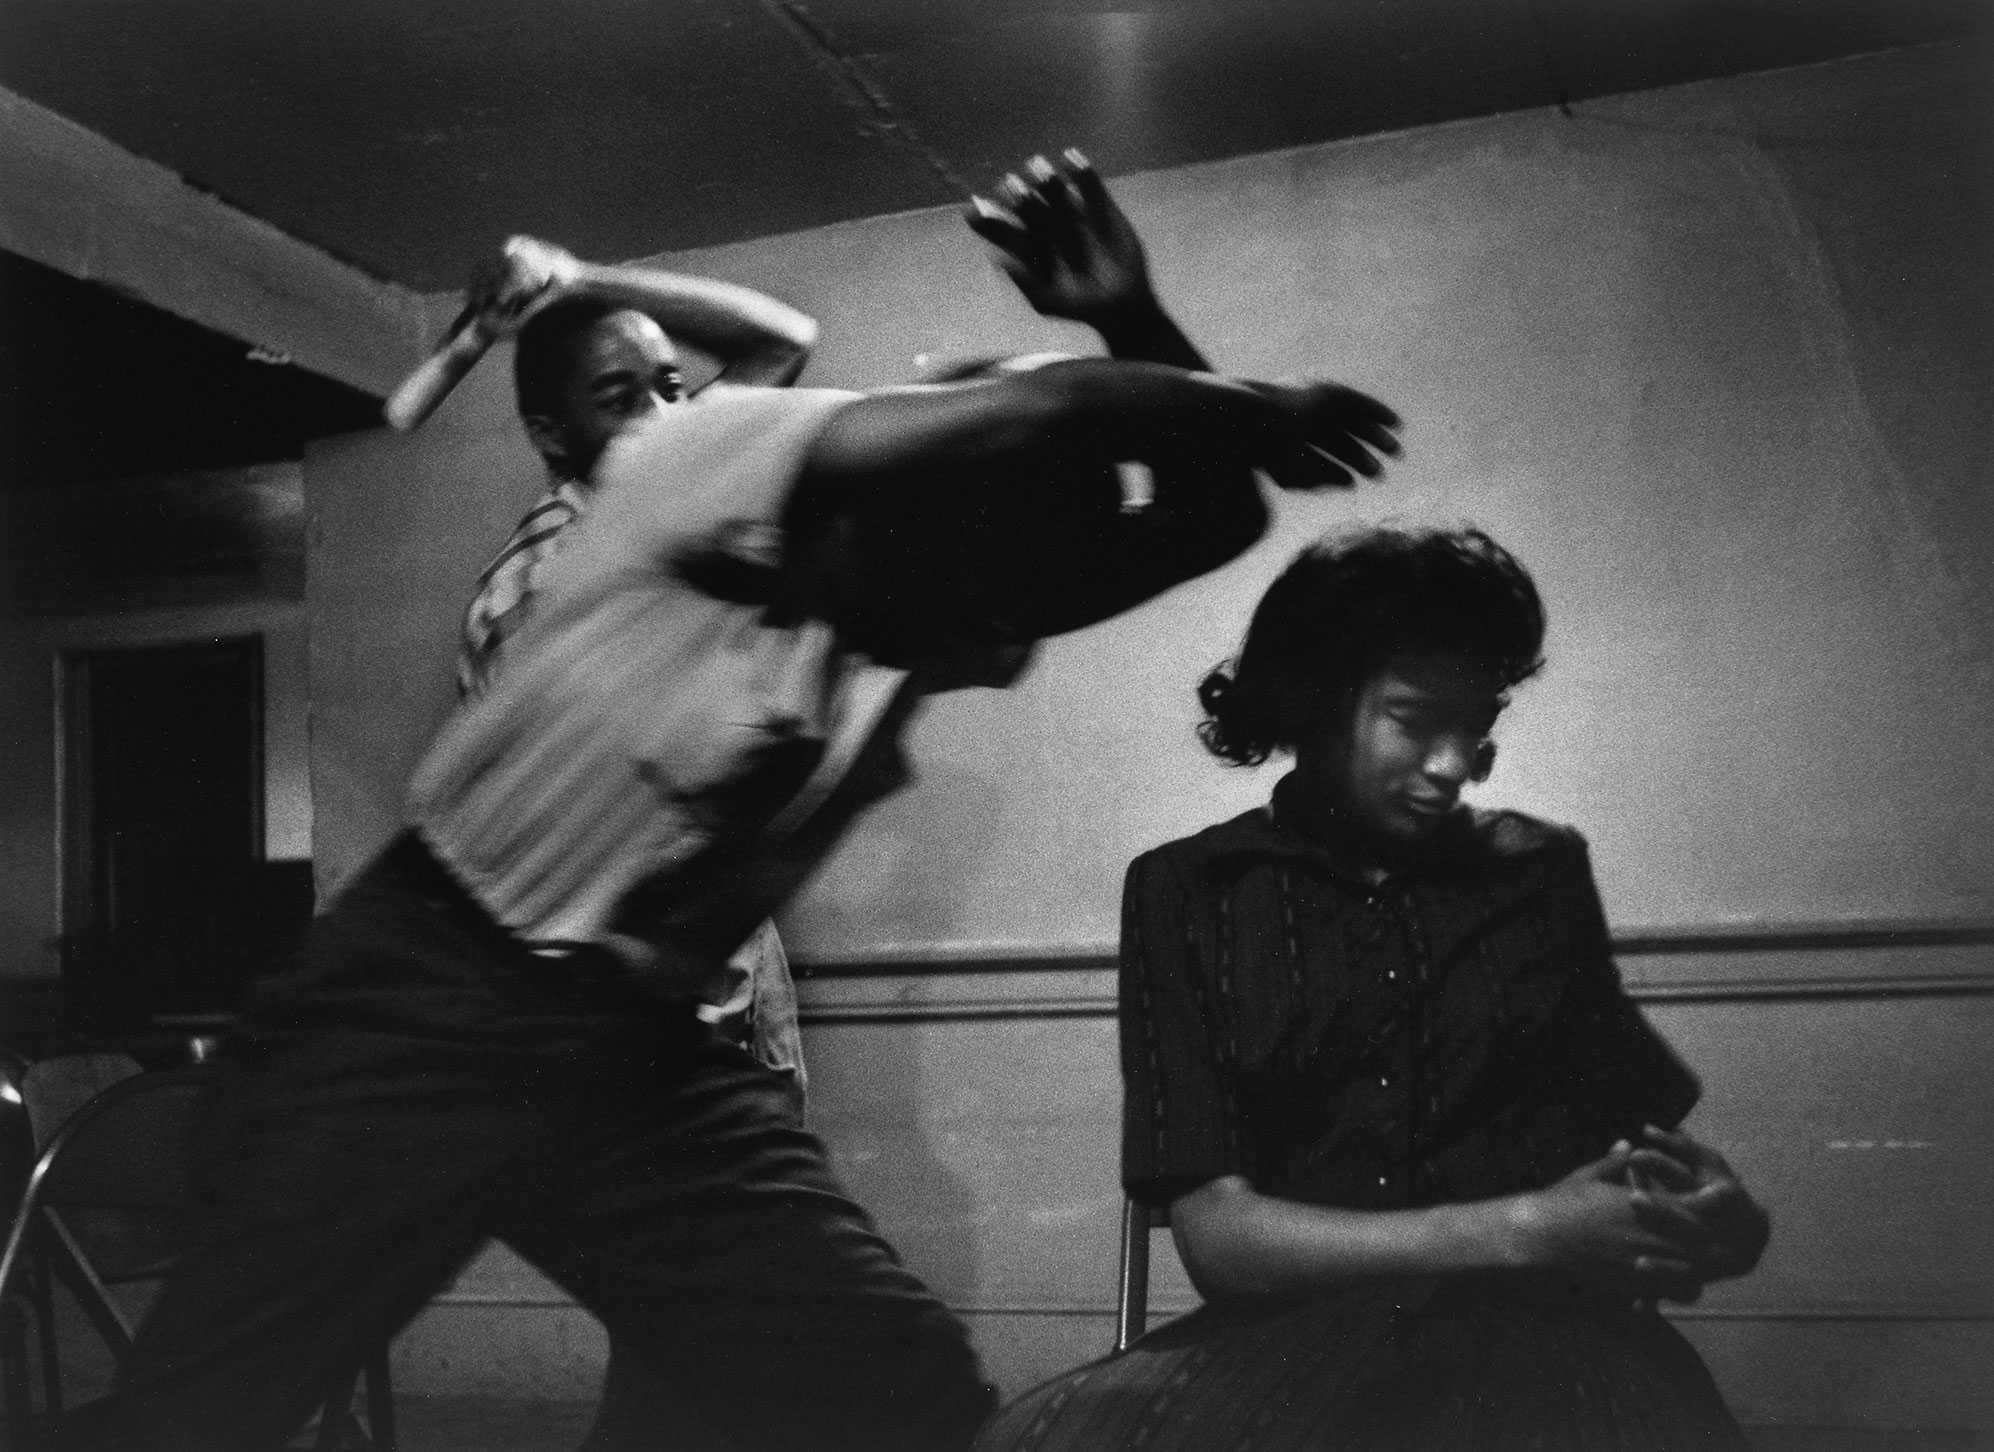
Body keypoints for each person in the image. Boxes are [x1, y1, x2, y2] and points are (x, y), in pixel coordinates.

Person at [54, 154, 1401, 1452]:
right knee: (203, 1409)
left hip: (644, 1062)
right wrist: (1259, 405)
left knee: (894, 1389)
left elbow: (1207, 524)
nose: (973, 635)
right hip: (423, 995)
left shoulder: (912, 608)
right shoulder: (690, 464)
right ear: (901, 482)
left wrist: (1125, 312)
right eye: (970, 593)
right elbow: (1048, 415)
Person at [976, 525, 1771, 1452]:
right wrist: (1524, 1227)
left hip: (1548, 1347)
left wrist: (1718, 1223)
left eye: (1475, 728)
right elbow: (1221, 1243)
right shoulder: (1189, 891)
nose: (1452, 766)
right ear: (1313, 696)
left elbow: (1636, 1160)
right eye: (1415, 719)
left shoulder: (1540, 874)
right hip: (1282, 1346)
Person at [454, 239, 819, 1089]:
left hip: (722, 967)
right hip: (628, 1013)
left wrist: (580, 281)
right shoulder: (538, 591)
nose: (660, 419)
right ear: (551, 436)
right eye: (620, 400)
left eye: (673, 387)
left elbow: (782, 342)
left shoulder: (666, 506)